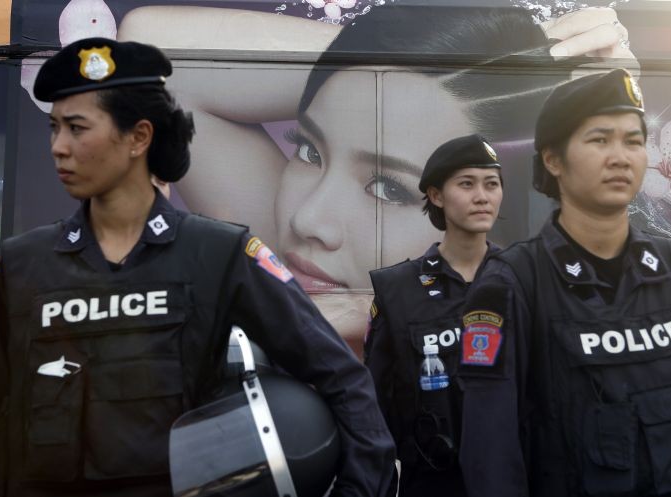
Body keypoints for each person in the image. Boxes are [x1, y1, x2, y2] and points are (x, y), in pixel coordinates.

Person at [0, 37, 395, 497]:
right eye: (54, 128)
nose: (57, 146)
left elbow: (341, 377)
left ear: (139, 137)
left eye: (77, 128)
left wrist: (359, 489)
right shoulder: (23, 264)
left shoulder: (220, 254)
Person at [116, 4, 636, 351]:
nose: (307, 217)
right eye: (309, 151)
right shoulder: (300, 267)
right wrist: (456, 68)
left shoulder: (537, 394)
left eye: (388, 188)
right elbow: (153, 57)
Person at [462, 68, 671, 497]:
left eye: (633, 140)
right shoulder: (512, 284)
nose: (620, 156)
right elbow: (488, 452)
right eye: (599, 140)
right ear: (553, 159)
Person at [364, 134, 506, 496]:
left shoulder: (522, 278)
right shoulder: (398, 290)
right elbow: (376, 410)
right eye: (466, 183)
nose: (482, 196)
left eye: (492, 184)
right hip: (432, 480)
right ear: (436, 195)